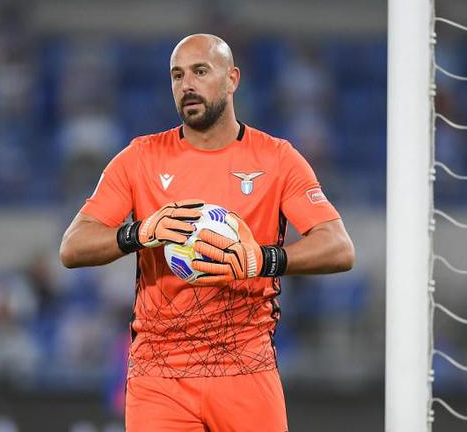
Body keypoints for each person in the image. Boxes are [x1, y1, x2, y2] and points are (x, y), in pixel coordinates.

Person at [60, 34, 355, 432]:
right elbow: (72, 246)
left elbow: (338, 247)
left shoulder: (276, 158)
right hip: (159, 374)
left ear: (232, 79)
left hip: (245, 367)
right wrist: (139, 232)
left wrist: (262, 259)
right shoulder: (140, 158)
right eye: (177, 75)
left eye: (200, 71)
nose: (187, 85)